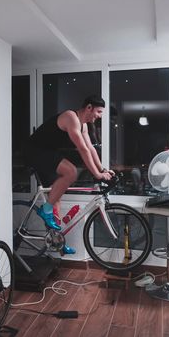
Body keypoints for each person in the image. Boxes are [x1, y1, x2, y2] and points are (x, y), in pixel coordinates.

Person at [23, 95, 114, 254]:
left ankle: (57, 241)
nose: (99, 116)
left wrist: (102, 169)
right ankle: (45, 210)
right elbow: (82, 149)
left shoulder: (83, 126)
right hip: (34, 151)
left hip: (47, 153)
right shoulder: (71, 117)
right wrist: (97, 175)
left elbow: (91, 149)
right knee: (71, 172)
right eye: (99, 112)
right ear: (89, 108)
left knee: (56, 198)